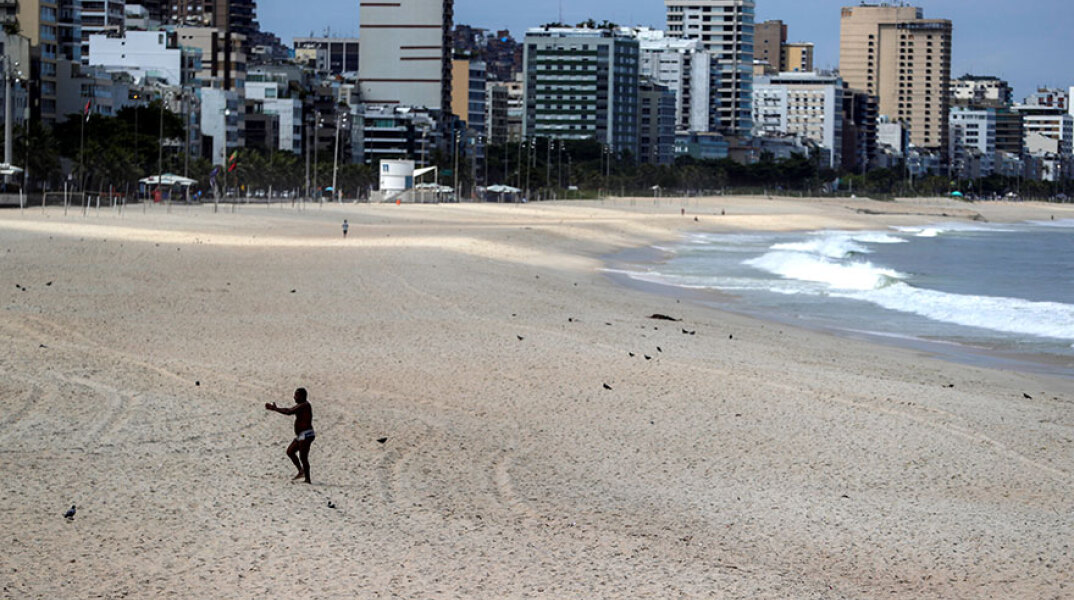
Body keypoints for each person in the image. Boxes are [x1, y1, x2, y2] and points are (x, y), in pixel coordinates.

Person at [265, 388, 315, 483]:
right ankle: (301, 471)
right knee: (290, 451)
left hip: (306, 434)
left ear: (302, 396)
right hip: (301, 435)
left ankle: (307, 479)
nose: (294, 397)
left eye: (296, 395)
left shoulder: (304, 405)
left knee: (303, 457)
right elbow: (289, 410)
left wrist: (275, 408)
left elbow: (289, 411)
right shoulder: (301, 405)